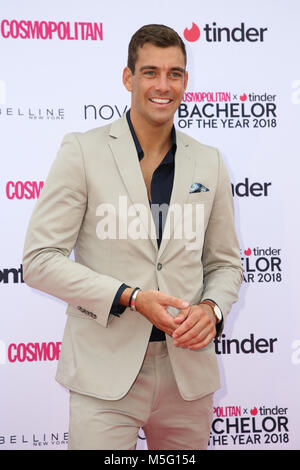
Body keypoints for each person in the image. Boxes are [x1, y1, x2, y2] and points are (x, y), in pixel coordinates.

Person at [23, 24, 243, 450]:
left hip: (187, 376)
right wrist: (131, 295)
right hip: (104, 372)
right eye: (150, 72)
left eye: (175, 74)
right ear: (128, 78)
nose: (163, 86)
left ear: (185, 81)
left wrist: (213, 309)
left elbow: (225, 264)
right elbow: (40, 261)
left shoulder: (211, 162)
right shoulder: (82, 151)